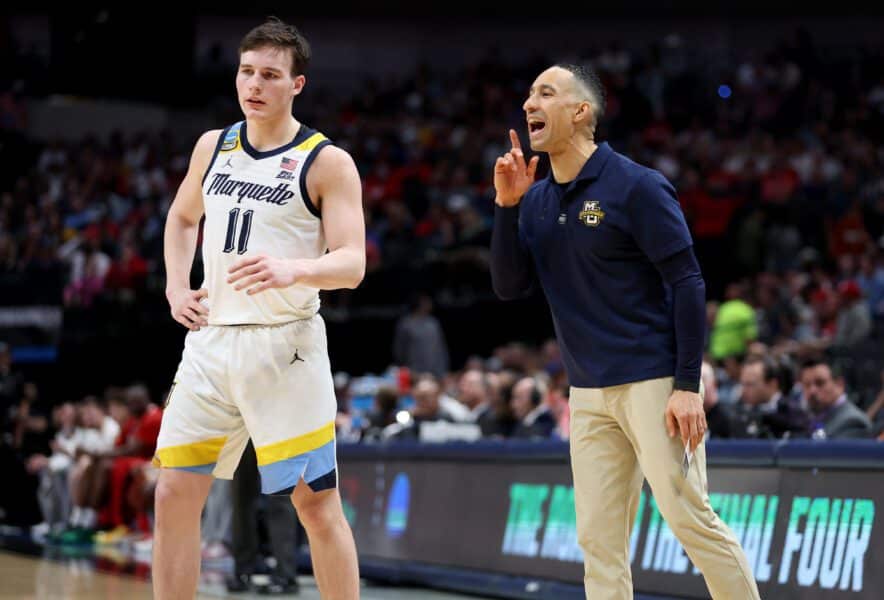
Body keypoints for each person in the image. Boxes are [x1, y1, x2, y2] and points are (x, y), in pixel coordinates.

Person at [490, 64, 760, 599]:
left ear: (580, 111)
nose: (528, 104)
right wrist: (506, 207)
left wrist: (687, 385)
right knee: (598, 541)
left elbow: (687, 280)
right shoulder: (539, 201)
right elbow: (509, 286)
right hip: (587, 392)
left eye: (546, 93)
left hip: (654, 382)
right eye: (527, 95)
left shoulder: (635, 185)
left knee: (689, 520)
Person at [152, 18, 363, 600]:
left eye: (271, 75)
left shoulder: (327, 162)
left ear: (297, 84)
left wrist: (296, 269)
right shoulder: (212, 145)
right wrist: (176, 287)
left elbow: (353, 262)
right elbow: (181, 217)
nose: (255, 84)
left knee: (316, 507)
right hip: (212, 342)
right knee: (172, 494)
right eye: (247, 71)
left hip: (284, 345)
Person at [800, 358, 872, 439]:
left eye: (820, 383)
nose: (812, 391)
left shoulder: (853, 422)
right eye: (807, 385)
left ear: (839, 384)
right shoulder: (806, 418)